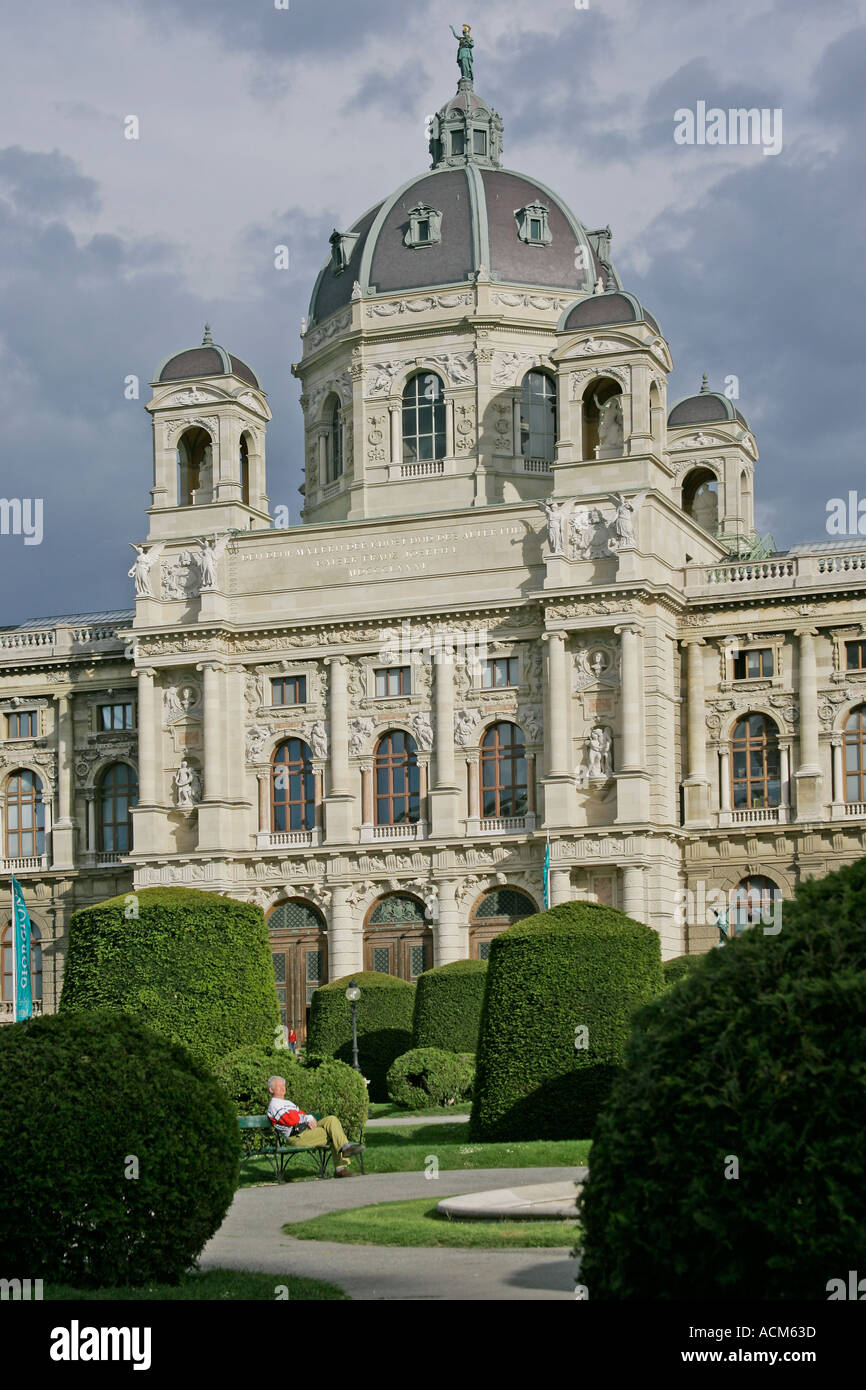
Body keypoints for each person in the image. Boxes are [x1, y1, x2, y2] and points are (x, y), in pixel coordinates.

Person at [267, 1076, 364, 1177]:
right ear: (271, 1089)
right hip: (297, 1137)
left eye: (283, 1085)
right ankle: (340, 1168)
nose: (283, 1088)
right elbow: (289, 1119)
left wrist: (306, 1118)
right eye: (279, 1086)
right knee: (332, 1134)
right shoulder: (274, 1105)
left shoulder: (288, 1103)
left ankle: (346, 1148)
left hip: (306, 1130)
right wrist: (306, 1118)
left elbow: (300, 1114)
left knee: (331, 1119)